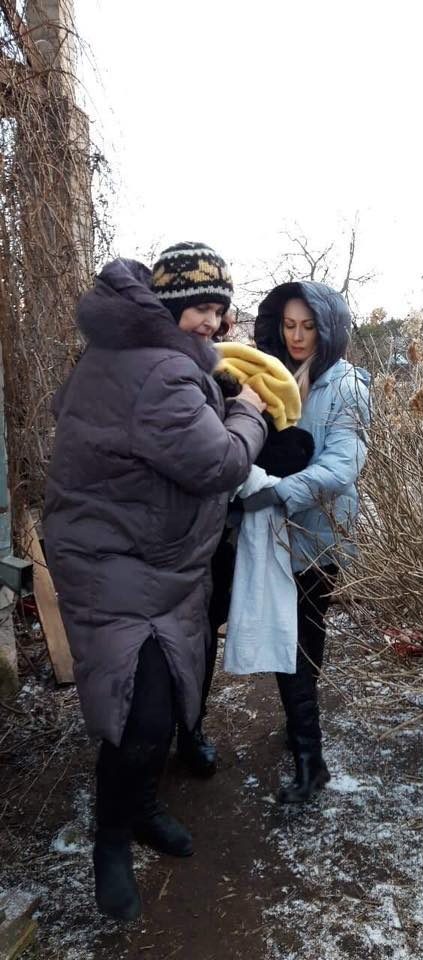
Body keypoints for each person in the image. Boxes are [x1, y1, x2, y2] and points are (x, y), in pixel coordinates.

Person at [43, 242, 267, 921]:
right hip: (121, 561)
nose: (215, 323)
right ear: (169, 309)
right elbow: (219, 464)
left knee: (162, 705)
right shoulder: (164, 372)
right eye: (202, 307)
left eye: (221, 310)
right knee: (140, 714)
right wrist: (249, 409)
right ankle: (109, 843)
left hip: (147, 556)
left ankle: (139, 809)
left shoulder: (123, 354)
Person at [243, 281, 370, 803]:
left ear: (329, 326)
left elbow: (345, 463)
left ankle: (307, 756)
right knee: (292, 636)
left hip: (318, 530)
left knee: (303, 636)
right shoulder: (270, 373)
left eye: (308, 326)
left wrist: (276, 495)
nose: (297, 336)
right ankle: (303, 738)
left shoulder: (346, 385)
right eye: (289, 325)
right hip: (272, 531)